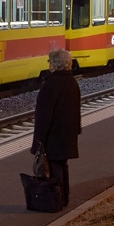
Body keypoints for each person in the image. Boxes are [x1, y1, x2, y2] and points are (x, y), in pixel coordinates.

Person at [31, 48, 81, 208]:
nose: (49, 64)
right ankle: (64, 198)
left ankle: (57, 201)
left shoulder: (50, 85)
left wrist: (39, 141)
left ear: (54, 64)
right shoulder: (72, 82)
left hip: (53, 135)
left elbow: (43, 116)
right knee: (62, 165)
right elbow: (76, 109)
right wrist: (77, 130)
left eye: (50, 61)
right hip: (68, 133)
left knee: (54, 167)